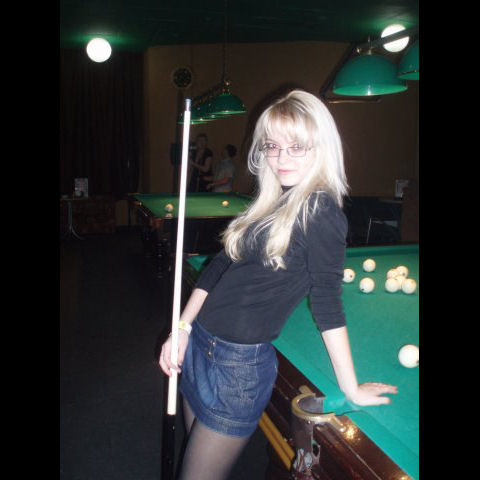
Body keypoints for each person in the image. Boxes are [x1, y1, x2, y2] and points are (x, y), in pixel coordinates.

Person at [159, 90, 398, 480]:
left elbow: (327, 302)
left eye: (296, 147)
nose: (281, 158)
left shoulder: (320, 211)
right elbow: (219, 266)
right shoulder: (271, 203)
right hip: (200, 345)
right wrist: (182, 328)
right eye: (272, 146)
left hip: (238, 367)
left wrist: (351, 388)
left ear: (321, 147)